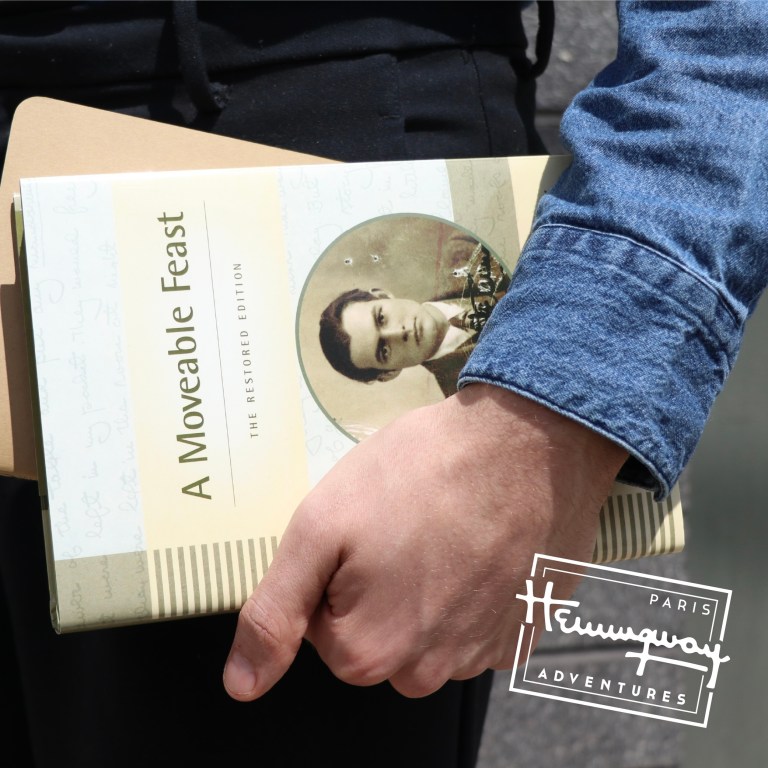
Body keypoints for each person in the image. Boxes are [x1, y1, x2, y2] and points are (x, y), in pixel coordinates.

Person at [1, 2, 767, 767]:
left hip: (315, 127)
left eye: (381, 327)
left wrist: (544, 416)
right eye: (381, 353)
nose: (397, 336)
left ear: (381, 298)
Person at [318, 237, 509, 396]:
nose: (399, 332)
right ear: (390, 374)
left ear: (383, 295)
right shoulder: (467, 394)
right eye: (384, 350)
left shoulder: (463, 250)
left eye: (381, 318)